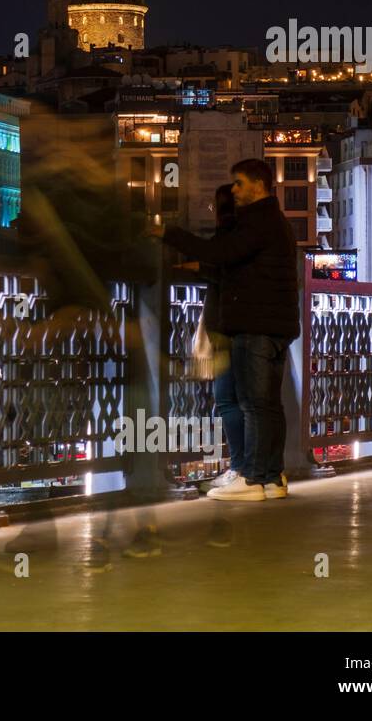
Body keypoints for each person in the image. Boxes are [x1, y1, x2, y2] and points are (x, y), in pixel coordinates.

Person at [149, 159, 299, 501]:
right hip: (276, 326)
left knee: (253, 404)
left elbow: (221, 253)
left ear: (258, 186)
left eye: (239, 184)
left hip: (255, 325)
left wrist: (169, 234)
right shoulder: (277, 222)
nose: (234, 190)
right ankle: (272, 478)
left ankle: (252, 480)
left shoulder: (258, 221)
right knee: (268, 406)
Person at [188, 184, 243, 490]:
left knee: (228, 399)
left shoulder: (232, 235)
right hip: (243, 325)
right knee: (247, 401)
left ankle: (241, 468)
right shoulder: (253, 231)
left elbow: (217, 265)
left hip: (228, 326)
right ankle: (257, 470)